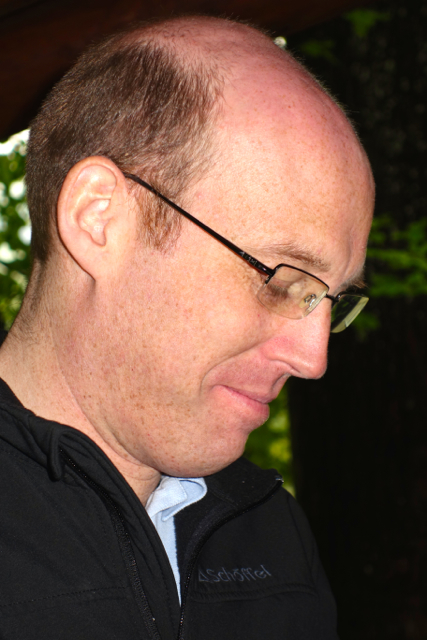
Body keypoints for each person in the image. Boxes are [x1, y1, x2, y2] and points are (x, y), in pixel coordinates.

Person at [0, 15, 374, 640]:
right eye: (282, 281)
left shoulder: (269, 534)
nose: (313, 360)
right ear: (100, 219)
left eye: (329, 300)